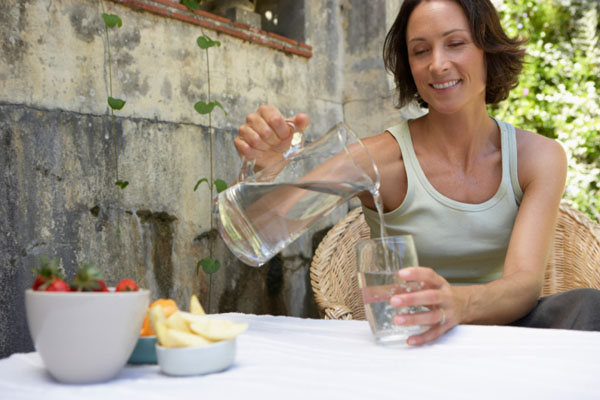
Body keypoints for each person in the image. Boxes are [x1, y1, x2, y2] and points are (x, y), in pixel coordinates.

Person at [234, 0, 600, 345]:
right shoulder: (378, 158)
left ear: (489, 51)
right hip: (413, 336)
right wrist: (267, 169)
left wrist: (457, 304)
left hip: (505, 336)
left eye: (455, 43)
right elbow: (259, 229)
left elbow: (524, 285)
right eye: (420, 50)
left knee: (590, 306)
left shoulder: (538, 158)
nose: (437, 64)